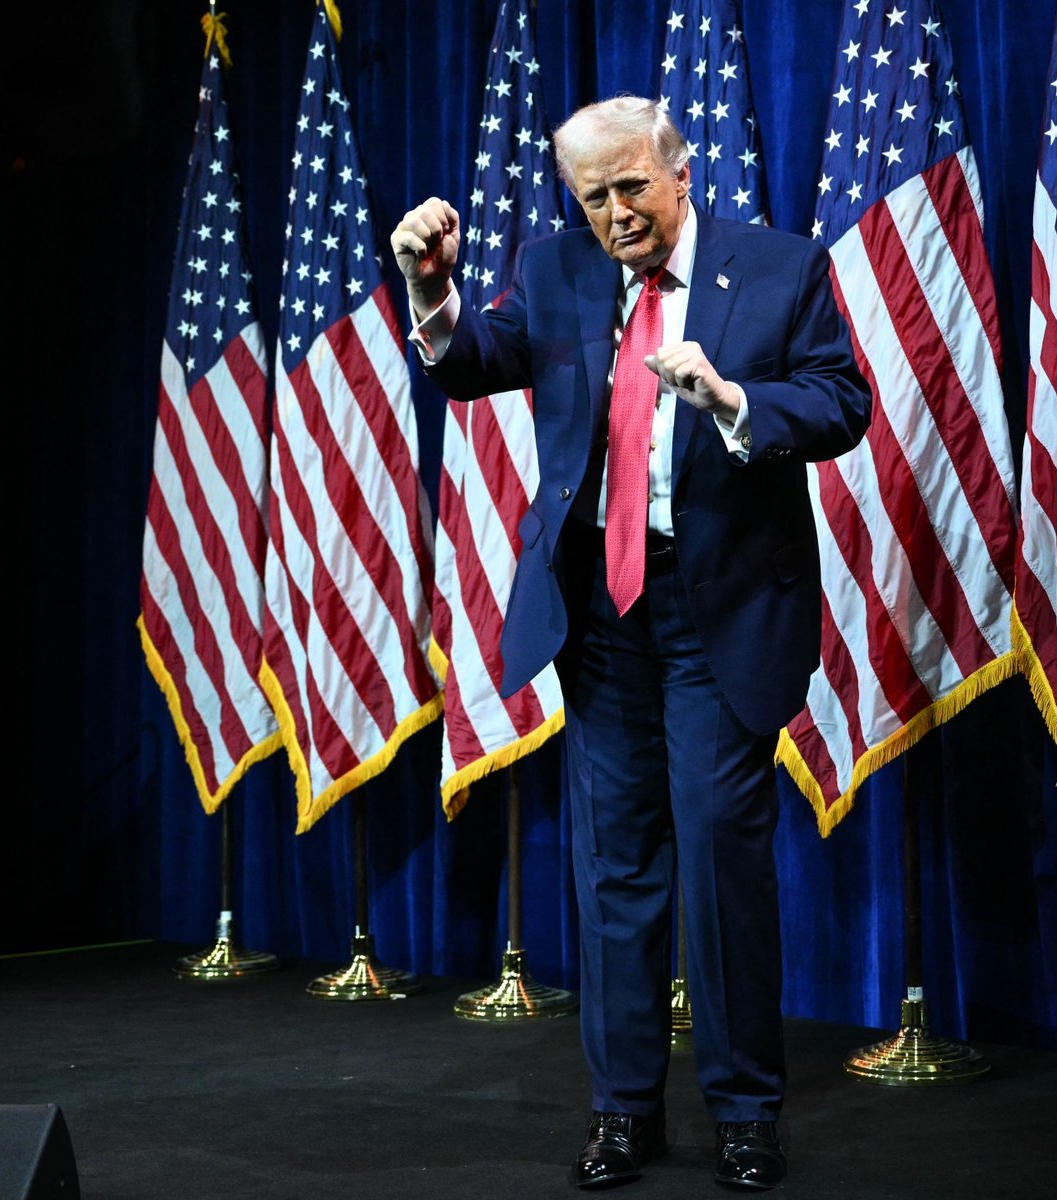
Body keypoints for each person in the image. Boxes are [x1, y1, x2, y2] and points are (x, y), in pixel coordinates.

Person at [390, 96, 871, 1191]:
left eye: (631, 188)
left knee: (718, 859)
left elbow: (842, 402)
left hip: (720, 610)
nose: (615, 213)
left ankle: (745, 1112)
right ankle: (622, 1112)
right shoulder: (553, 266)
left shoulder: (780, 267)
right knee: (615, 868)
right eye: (593, 196)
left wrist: (733, 400)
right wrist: (432, 291)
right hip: (601, 616)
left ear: (679, 173)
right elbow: (478, 359)